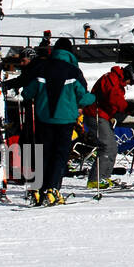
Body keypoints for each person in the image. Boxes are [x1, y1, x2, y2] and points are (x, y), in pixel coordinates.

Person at [19, 38, 96, 206]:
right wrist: (94, 98)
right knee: (59, 155)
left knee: (43, 153)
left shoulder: (42, 68)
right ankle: (52, 190)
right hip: (65, 120)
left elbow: (27, 93)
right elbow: (83, 97)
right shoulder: (74, 71)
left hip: (43, 119)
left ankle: (37, 190)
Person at [84, 63, 134, 189]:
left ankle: (103, 177)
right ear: (128, 75)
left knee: (112, 147)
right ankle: (96, 179)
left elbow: (114, 102)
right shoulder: (112, 79)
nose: (129, 84)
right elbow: (113, 98)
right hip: (96, 115)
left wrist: (128, 109)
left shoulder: (117, 81)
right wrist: (128, 107)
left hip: (103, 116)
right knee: (107, 146)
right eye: (131, 82)